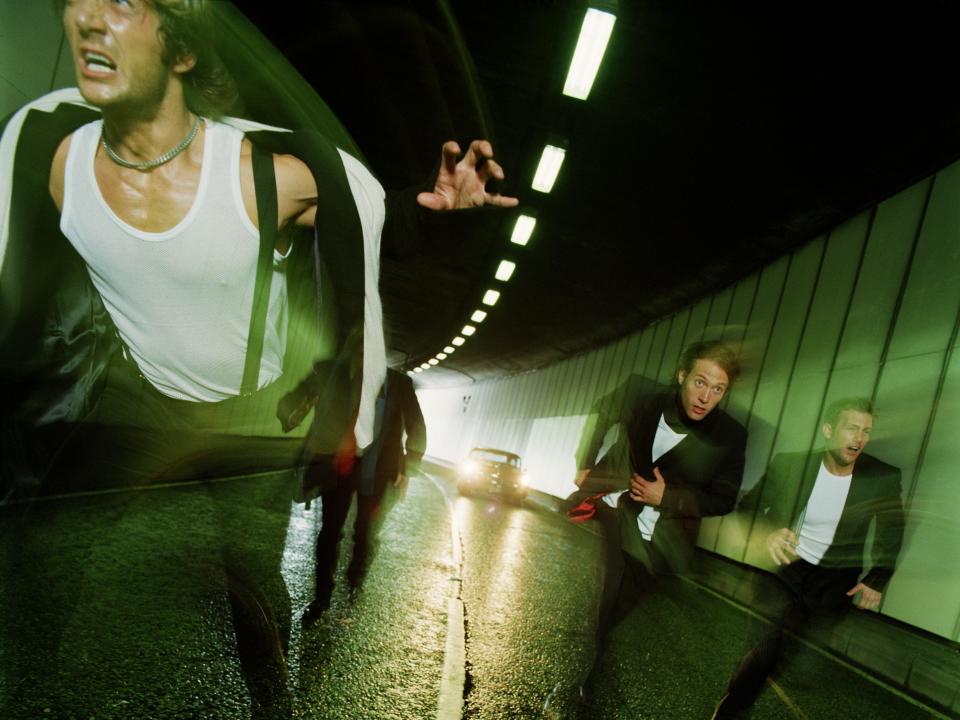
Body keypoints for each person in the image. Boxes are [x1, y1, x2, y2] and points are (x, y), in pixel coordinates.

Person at [0, 0, 514, 715]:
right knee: (46, 553)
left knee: (252, 592)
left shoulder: (255, 177)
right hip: (144, 402)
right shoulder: (55, 164)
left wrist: (435, 207)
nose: (88, 16)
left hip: (250, 417)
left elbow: (368, 213)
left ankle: (275, 704)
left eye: (124, 3)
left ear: (181, 52)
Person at [546, 340, 747, 718]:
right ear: (682, 375)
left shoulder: (730, 437)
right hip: (614, 510)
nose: (706, 397)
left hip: (661, 538)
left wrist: (667, 496)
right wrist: (585, 461)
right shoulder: (642, 395)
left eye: (718, 389)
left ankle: (593, 670)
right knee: (607, 599)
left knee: (621, 610)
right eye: (700, 382)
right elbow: (601, 411)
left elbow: (724, 498)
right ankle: (586, 688)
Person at [711, 397, 904, 719]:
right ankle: (731, 709)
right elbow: (749, 507)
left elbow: (891, 529)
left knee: (797, 663)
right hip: (785, 568)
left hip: (833, 581)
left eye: (866, 431)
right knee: (763, 648)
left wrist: (877, 579)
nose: (859, 438)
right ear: (829, 430)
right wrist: (769, 532)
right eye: (851, 428)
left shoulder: (881, 477)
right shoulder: (791, 464)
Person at [303, 368, 426, 624]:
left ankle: (357, 573)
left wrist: (408, 466)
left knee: (365, 531)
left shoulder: (399, 383)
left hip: (379, 470)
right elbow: (323, 412)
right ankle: (322, 595)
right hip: (342, 466)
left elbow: (417, 426)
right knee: (330, 530)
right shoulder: (341, 374)